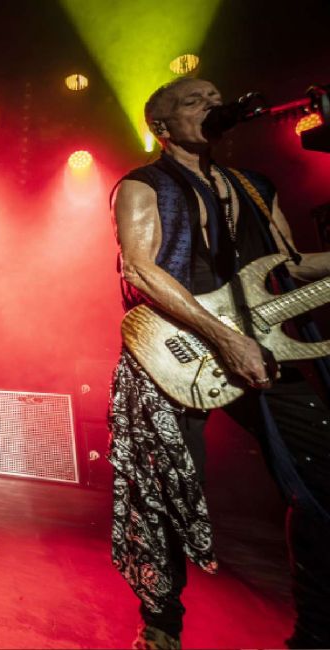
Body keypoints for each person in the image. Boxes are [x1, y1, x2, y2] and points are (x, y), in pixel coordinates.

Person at [109, 77, 330, 649]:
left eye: (214, 97)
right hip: (171, 350)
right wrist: (224, 339)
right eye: (193, 101)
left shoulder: (255, 186)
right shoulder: (142, 184)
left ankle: (317, 631)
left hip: (261, 342)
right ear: (161, 127)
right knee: (165, 492)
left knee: (322, 471)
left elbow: (292, 264)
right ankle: (162, 626)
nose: (210, 104)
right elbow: (140, 269)